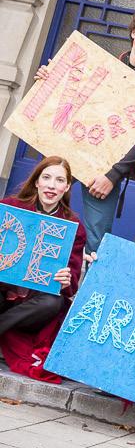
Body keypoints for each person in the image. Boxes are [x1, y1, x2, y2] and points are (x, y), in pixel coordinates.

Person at [35, 9, 135, 255]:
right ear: (134, 33)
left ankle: (89, 291)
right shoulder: (103, 64)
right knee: (40, 216)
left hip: (106, 170)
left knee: (97, 237)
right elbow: (70, 97)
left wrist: (112, 175)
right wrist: (49, 79)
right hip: (71, 151)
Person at [0, 156, 87, 382]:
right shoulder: (10, 208)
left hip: (34, 304)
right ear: (36, 181)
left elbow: (73, 281)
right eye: (46, 178)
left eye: (59, 180)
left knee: (54, 302)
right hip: (3, 291)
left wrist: (67, 280)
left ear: (67, 187)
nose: (51, 185)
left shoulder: (73, 226)